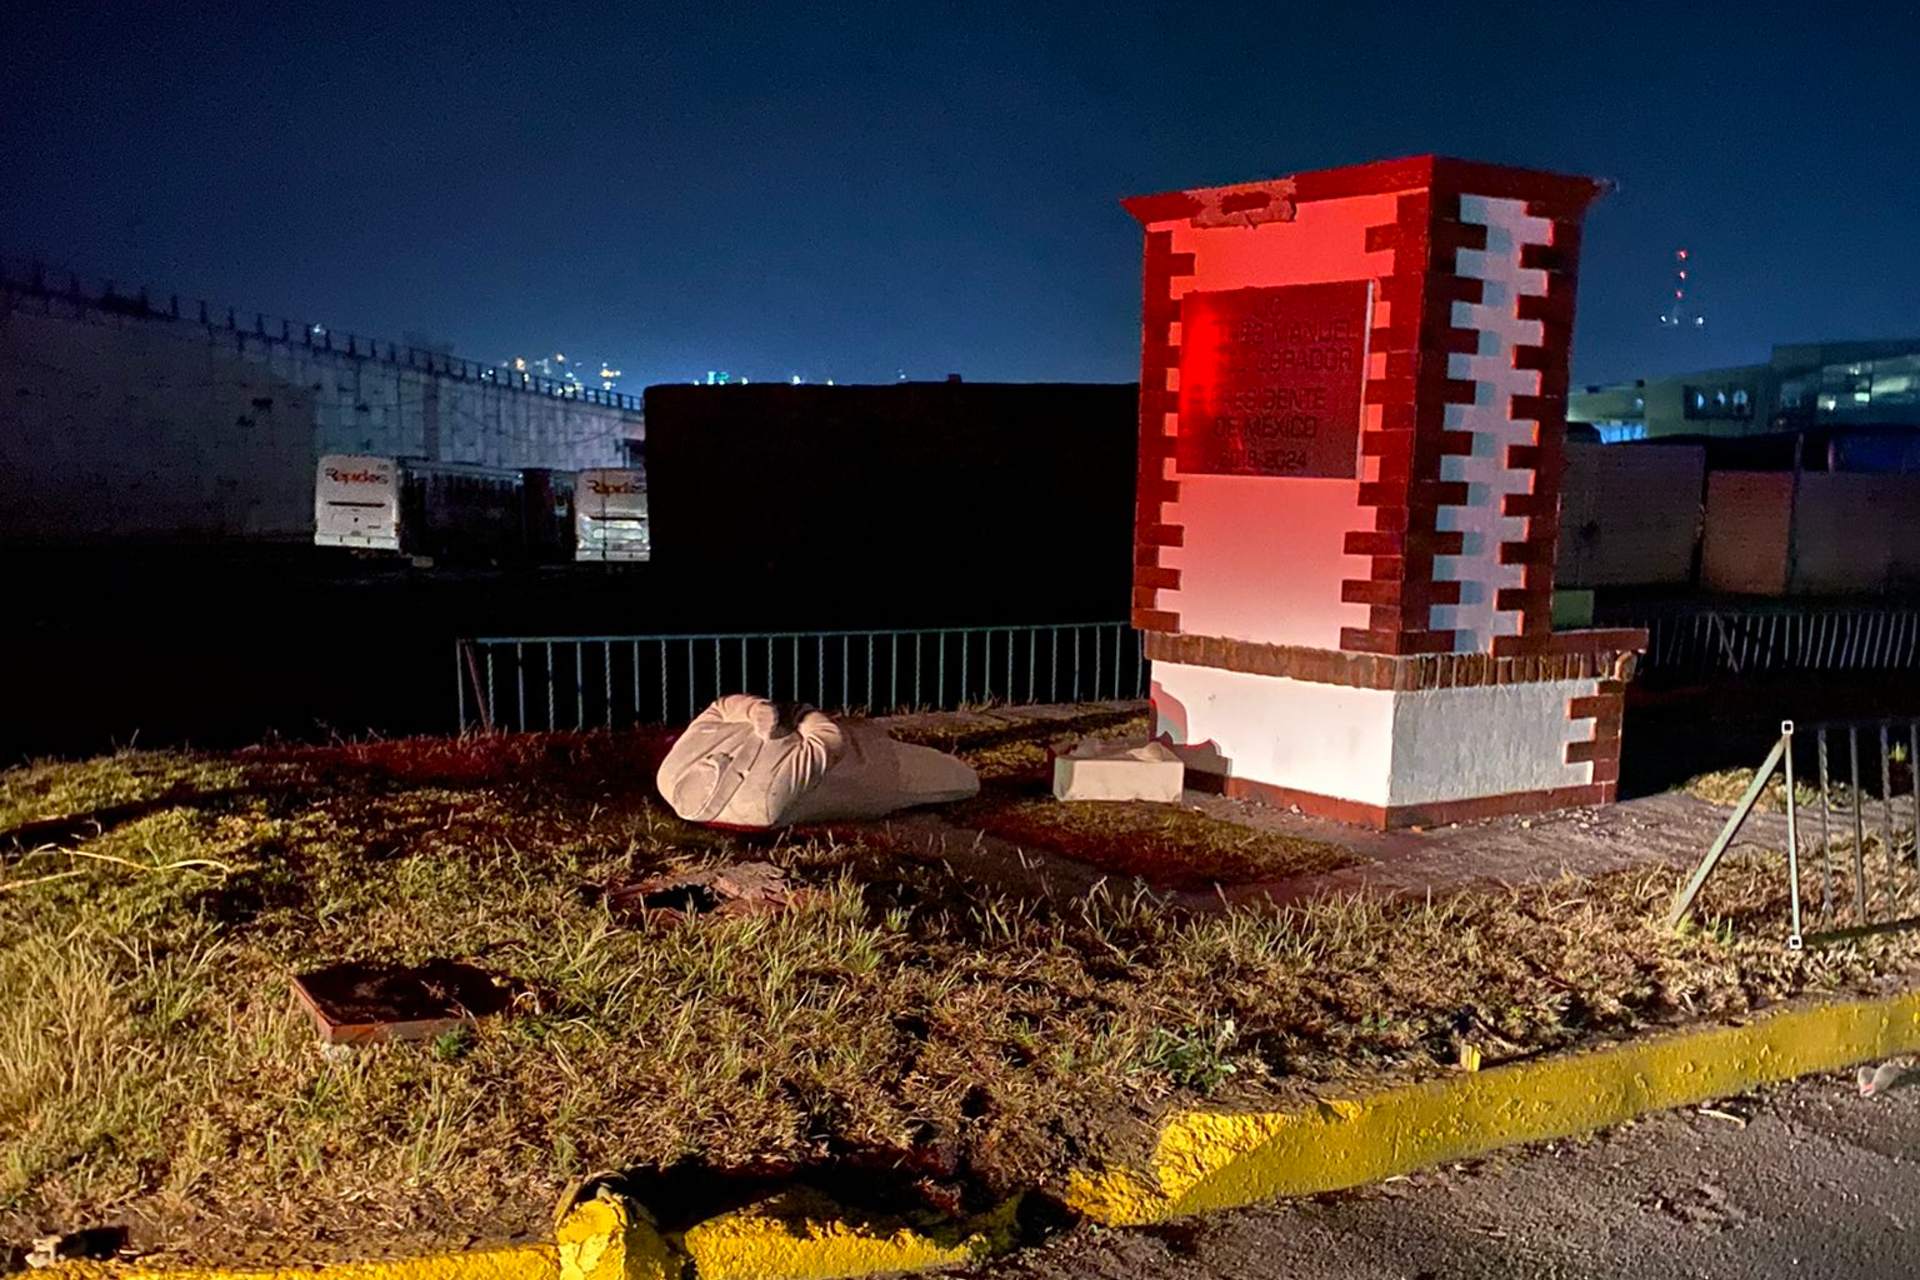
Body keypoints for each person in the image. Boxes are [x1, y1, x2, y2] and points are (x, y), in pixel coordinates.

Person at [655, 694, 978, 828]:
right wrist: (798, 711)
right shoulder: (765, 800)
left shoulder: (671, 775)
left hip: (861, 742)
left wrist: (752, 708)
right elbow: (828, 742)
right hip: (874, 773)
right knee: (962, 779)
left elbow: (720, 707)